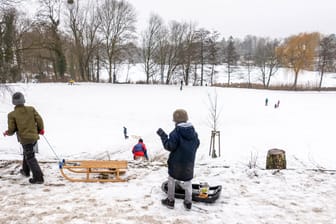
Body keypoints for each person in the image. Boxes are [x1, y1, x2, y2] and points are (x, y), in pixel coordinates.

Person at [156, 109, 200, 211]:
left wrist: (163, 136)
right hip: (189, 162)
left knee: (171, 179)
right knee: (188, 181)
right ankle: (188, 203)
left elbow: (169, 146)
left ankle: (170, 201)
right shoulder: (194, 132)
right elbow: (197, 144)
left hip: (176, 162)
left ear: (176, 121)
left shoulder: (175, 133)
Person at [3, 92, 45, 184]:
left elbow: (12, 129)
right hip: (33, 137)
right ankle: (25, 171)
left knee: (30, 156)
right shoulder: (31, 109)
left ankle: (38, 177)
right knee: (27, 153)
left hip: (25, 139)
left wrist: (7, 133)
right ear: (23, 100)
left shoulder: (12, 114)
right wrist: (40, 129)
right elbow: (39, 120)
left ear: (13, 102)